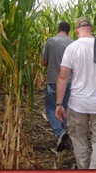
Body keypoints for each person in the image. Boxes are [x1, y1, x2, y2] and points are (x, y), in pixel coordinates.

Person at [55, 17, 96, 169]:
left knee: (79, 139)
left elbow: (63, 77)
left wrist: (59, 104)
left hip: (77, 104)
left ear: (77, 31)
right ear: (91, 28)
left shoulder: (72, 48)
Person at [41, 21, 73, 152]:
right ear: (69, 31)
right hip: (68, 81)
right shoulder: (72, 43)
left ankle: (60, 133)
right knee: (64, 107)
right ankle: (63, 133)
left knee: (50, 109)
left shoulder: (50, 41)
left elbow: (43, 62)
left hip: (53, 81)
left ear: (58, 29)